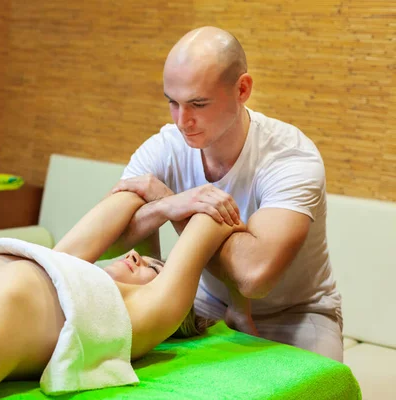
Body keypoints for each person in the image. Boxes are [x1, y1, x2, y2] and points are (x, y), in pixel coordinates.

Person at [110, 26, 343, 361]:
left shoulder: (290, 157)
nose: (182, 121)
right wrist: (168, 206)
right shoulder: (165, 147)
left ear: (242, 89)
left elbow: (254, 277)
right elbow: (110, 234)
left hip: (298, 315)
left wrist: (170, 206)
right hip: (204, 301)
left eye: (198, 104)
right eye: (172, 103)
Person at [0, 191, 243, 393]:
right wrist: (165, 204)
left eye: (153, 267)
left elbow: (212, 219)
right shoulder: (61, 271)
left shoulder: (136, 312)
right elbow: (130, 193)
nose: (135, 255)